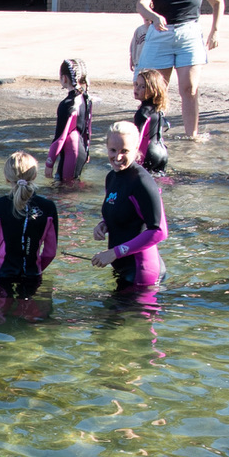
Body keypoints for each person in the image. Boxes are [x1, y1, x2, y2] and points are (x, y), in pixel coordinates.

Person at [134, 0, 224, 141]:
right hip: (161, 34)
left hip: (189, 35)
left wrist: (215, 30)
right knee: (155, 89)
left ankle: (191, 135)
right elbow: (142, 4)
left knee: (189, 87)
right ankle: (151, 135)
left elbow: (218, 2)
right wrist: (153, 16)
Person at [91, 122, 167, 293]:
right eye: (113, 150)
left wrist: (114, 253)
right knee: (111, 319)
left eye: (124, 151)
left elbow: (159, 231)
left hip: (142, 273)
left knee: (120, 319)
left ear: (136, 148)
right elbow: (127, 213)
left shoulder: (142, 181)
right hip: (123, 269)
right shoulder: (112, 177)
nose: (117, 157)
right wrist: (104, 225)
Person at [0, 150, 58, 312]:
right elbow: (50, 252)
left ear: (7, 178)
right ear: (35, 175)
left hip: (2, 274)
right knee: (30, 314)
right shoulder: (48, 207)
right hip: (32, 273)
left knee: (1, 316)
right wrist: (37, 267)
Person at [48, 58, 93, 187]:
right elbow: (88, 129)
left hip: (71, 151)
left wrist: (49, 163)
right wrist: (87, 150)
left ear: (64, 78)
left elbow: (60, 139)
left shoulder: (67, 104)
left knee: (64, 192)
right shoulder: (86, 98)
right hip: (81, 149)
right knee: (72, 186)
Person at [131, 71, 171, 173]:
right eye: (136, 84)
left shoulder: (143, 112)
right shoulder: (158, 109)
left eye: (143, 87)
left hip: (148, 153)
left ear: (153, 90)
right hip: (162, 152)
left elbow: (137, 139)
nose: (137, 88)